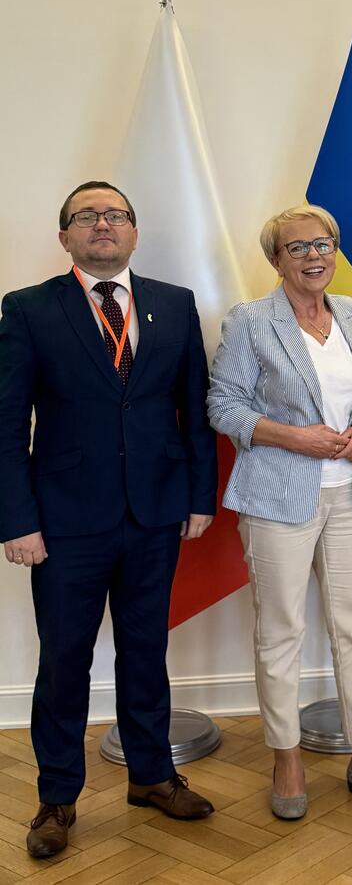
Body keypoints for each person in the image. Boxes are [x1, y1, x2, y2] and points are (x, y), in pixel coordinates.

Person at [0, 181, 218, 859]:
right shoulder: (28, 308)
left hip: (155, 513)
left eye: (115, 214)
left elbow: (195, 410)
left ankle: (151, 776)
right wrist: (16, 520)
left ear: (134, 231)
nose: (103, 223)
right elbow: (7, 424)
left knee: (146, 652)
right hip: (64, 522)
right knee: (64, 662)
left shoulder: (174, 305)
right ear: (64, 235)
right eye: (87, 216)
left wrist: (200, 497)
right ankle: (57, 798)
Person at [207, 204, 352, 819]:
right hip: (277, 498)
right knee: (281, 632)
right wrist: (294, 437)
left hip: (350, 492)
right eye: (297, 248)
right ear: (276, 260)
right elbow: (223, 406)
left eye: (323, 244)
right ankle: (287, 759)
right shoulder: (251, 321)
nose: (313, 256)